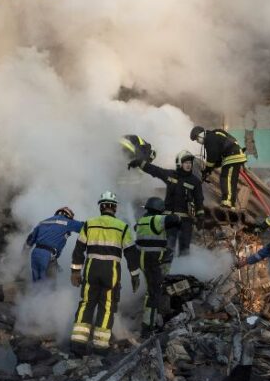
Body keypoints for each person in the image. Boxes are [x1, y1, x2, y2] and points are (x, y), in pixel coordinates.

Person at [69, 191, 141, 354]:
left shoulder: (89, 224)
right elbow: (131, 254)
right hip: (111, 271)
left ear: (101, 207)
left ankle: (78, 344)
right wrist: (135, 275)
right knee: (107, 307)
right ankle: (100, 346)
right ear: (114, 208)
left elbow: (78, 250)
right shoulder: (122, 227)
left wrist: (75, 272)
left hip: (91, 269)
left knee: (87, 303)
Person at [134, 197, 181, 337]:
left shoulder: (142, 220)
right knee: (154, 294)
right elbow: (173, 219)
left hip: (142, 258)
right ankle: (148, 328)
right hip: (152, 260)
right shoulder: (156, 219)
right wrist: (178, 216)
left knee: (151, 291)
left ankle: (148, 324)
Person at [141, 150, 204, 255]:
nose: (189, 165)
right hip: (169, 220)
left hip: (186, 221)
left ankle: (184, 269)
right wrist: (140, 163)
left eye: (190, 163)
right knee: (168, 248)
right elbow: (155, 170)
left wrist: (200, 217)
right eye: (186, 162)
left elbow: (199, 200)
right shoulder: (170, 175)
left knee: (184, 250)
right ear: (179, 163)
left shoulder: (195, 181)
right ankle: (167, 269)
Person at [190, 126, 247, 209]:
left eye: (197, 139)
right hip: (234, 155)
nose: (198, 142)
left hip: (232, 156)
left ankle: (227, 203)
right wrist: (210, 169)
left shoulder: (209, 139)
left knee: (226, 179)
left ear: (200, 135)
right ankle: (231, 204)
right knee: (231, 181)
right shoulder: (214, 136)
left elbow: (212, 157)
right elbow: (217, 159)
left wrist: (206, 170)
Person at [24, 207, 83, 282]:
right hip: (48, 255)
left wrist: (23, 256)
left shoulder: (43, 222)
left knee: (37, 283)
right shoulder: (68, 222)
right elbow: (85, 227)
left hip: (35, 254)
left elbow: (29, 240)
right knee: (48, 285)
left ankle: (36, 293)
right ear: (69, 215)